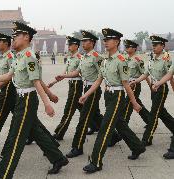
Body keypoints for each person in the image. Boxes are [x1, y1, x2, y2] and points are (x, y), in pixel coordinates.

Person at [0, 21, 68, 179]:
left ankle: (4, 174)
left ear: (26, 37)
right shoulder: (19, 56)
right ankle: (58, 158)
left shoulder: (29, 57)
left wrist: (47, 103)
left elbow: (36, 81)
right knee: (35, 132)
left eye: (16, 36)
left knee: (16, 136)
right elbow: (9, 75)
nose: (14, 39)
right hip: (20, 99)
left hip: (27, 100)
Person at [80, 28, 145, 173]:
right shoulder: (105, 60)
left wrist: (134, 102)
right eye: (104, 40)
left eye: (108, 40)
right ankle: (137, 146)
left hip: (118, 96)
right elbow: (98, 80)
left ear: (116, 42)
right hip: (108, 95)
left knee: (105, 127)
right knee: (119, 124)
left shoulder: (121, 61)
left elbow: (126, 84)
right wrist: (86, 95)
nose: (105, 42)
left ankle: (96, 161)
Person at [55, 30, 104, 158]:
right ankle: (114, 136)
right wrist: (63, 75)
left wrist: (89, 93)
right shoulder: (85, 57)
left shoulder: (96, 57)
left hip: (92, 91)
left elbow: (102, 75)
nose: (82, 43)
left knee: (84, 118)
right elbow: (77, 72)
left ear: (92, 43)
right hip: (86, 88)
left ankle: (77, 147)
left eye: (85, 41)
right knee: (94, 115)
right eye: (82, 41)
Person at [130, 35, 174, 158]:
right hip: (154, 89)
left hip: (161, 88)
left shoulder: (166, 58)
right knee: (161, 112)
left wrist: (159, 83)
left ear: (162, 46)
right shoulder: (152, 58)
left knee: (154, 113)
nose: (153, 47)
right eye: (152, 45)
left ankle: (146, 139)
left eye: (156, 45)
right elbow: (146, 73)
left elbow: (170, 74)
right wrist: (136, 81)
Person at [109, 39, 150, 147]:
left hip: (134, 85)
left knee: (127, 108)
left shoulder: (138, 59)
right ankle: (150, 120)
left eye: (129, 47)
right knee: (137, 104)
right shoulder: (125, 59)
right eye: (126, 47)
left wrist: (149, 85)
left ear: (134, 48)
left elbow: (144, 74)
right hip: (127, 84)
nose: (127, 49)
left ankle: (120, 133)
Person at [48, 36, 83, 141]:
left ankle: (59, 132)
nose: (68, 47)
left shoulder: (80, 58)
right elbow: (64, 73)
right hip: (71, 84)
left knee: (69, 109)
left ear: (76, 46)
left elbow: (77, 73)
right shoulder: (70, 57)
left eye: (70, 45)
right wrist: (53, 83)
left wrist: (63, 76)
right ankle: (96, 125)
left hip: (77, 85)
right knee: (82, 108)